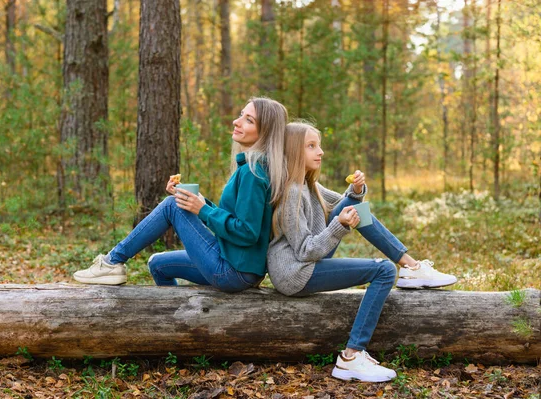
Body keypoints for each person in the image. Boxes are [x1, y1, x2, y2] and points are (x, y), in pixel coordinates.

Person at [267, 122, 457, 382]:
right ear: (293, 152)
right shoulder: (291, 193)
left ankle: (412, 267)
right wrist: (339, 224)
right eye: (311, 146)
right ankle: (351, 356)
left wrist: (356, 191)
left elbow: (344, 203)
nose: (320, 151)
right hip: (294, 273)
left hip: (305, 262)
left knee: (358, 210)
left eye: (319, 145)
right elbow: (304, 250)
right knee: (384, 270)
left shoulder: (308, 185)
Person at [73, 97, 288, 293]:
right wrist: (199, 202)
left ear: (265, 132)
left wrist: (201, 209)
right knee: (158, 264)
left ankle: (111, 262)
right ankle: (177, 323)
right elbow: (235, 217)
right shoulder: (252, 169)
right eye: (241, 114)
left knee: (171, 206)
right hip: (236, 265)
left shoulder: (253, 172)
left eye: (248, 120)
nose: (236, 121)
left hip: (234, 271)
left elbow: (247, 232)